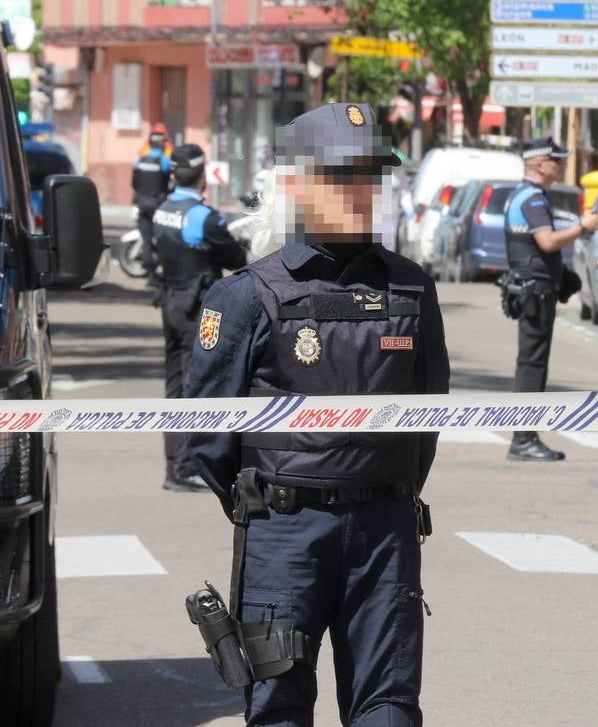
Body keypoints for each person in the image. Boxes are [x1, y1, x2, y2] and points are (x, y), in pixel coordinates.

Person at [186, 102, 449, 727]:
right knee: (277, 706)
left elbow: (428, 419)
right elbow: (206, 434)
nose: (361, 192)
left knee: (388, 706)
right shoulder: (247, 295)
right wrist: (273, 495)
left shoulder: (412, 290)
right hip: (285, 530)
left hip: (385, 531)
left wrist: (380, 488)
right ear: (300, 185)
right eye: (342, 177)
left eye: (370, 177)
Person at [503, 137, 598, 462]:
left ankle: (525, 436)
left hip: (533, 289)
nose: (560, 167)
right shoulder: (532, 198)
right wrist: (582, 227)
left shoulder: (522, 195)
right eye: (556, 161)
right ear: (539, 164)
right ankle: (524, 438)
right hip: (534, 293)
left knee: (530, 364)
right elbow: (546, 242)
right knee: (532, 367)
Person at [153, 143, 247, 491]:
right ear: (203, 173)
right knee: (201, 385)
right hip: (197, 309)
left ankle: (175, 467)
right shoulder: (202, 217)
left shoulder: (164, 208)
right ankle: (189, 468)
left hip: (170, 302)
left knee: (175, 387)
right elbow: (237, 258)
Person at [132, 124, 172, 283]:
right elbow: (171, 179)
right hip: (159, 205)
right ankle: (167, 272)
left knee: (146, 239)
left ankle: (150, 275)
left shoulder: (139, 160)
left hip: (142, 203)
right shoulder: (164, 161)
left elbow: (134, 183)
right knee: (164, 238)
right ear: (162, 143)